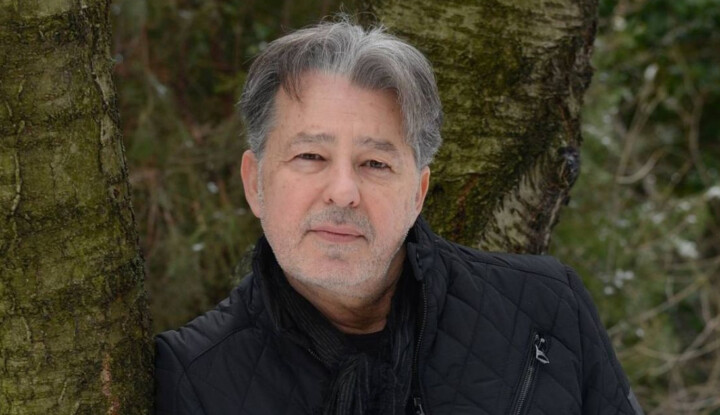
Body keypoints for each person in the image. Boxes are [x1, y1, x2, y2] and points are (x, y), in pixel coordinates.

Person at [154, 18, 644, 415]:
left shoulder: (547, 309)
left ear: (418, 193)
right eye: (310, 157)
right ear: (254, 182)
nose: (343, 192)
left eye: (375, 164)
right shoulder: (193, 375)